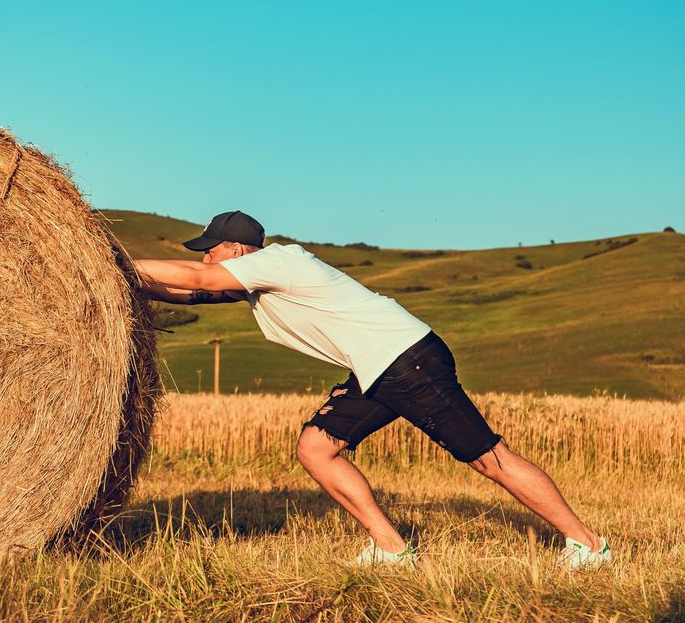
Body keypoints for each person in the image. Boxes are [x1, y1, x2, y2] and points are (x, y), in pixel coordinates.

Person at [133, 210, 611, 569]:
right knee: (316, 448)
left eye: (210, 248)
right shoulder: (261, 282)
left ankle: (588, 545)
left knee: (488, 457)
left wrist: (111, 258)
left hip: (408, 359)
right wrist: (122, 282)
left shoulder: (279, 262)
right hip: (377, 367)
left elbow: (196, 278)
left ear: (235, 249)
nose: (204, 256)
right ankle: (392, 549)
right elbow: (193, 292)